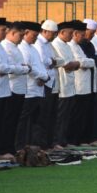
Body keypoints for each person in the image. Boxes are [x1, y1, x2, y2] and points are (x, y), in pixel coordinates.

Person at [16, 21, 49, 151]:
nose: (35, 38)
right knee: (24, 121)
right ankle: (20, 147)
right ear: (26, 33)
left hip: (38, 89)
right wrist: (43, 76)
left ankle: (34, 145)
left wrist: (45, 76)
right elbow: (28, 68)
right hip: (29, 89)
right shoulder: (22, 48)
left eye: (36, 36)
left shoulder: (33, 48)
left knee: (37, 120)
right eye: (33, 35)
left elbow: (39, 66)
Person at [1, 22, 31, 157]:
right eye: (2, 30)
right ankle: (4, 149)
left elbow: (9, 66)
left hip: (13, 88)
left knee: (13, 121)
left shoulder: (14, 47)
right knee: (6, 122)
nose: (22, 38)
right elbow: (3, 68)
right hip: (10, 88)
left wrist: (19, 67)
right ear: (12, 33)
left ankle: (10, 148)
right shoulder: (5, 46)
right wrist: (22, 68)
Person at [33, 19, 63, 149]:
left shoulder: (48, 44)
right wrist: (52, 61)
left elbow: (54, 60)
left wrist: (52, 61)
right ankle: (40, 143)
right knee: (41, 116)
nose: (54, 36)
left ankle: (48, 142)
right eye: (52, 33)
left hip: (50, 81)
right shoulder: (38, 43)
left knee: (49, 114)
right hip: (42, 83)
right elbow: (43, 61)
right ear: (44, 31)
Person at [52, 21, 80, 148]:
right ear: (62, 32)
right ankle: (57, 141)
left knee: (68, 115)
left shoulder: (67, 45)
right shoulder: (56, 44)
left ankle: (64, 140)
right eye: (70, 33)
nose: (71, 35)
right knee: (60, 116)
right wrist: (74, 64)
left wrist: (74, 64)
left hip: (70, 84)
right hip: (62, 84)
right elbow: (67, 65)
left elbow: (73, 63)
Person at [68, 20, 96, 145]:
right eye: (82, 34)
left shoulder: (78, 46)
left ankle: (82, 138)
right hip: (78, 85)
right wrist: (88, 61)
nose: (84, 37)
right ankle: (74, 139)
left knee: (84, 114)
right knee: (77, 115)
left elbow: (86, 62)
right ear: (75, 33)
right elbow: (81, 62)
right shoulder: (70, 45)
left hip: (86, 85)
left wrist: (87, 61)